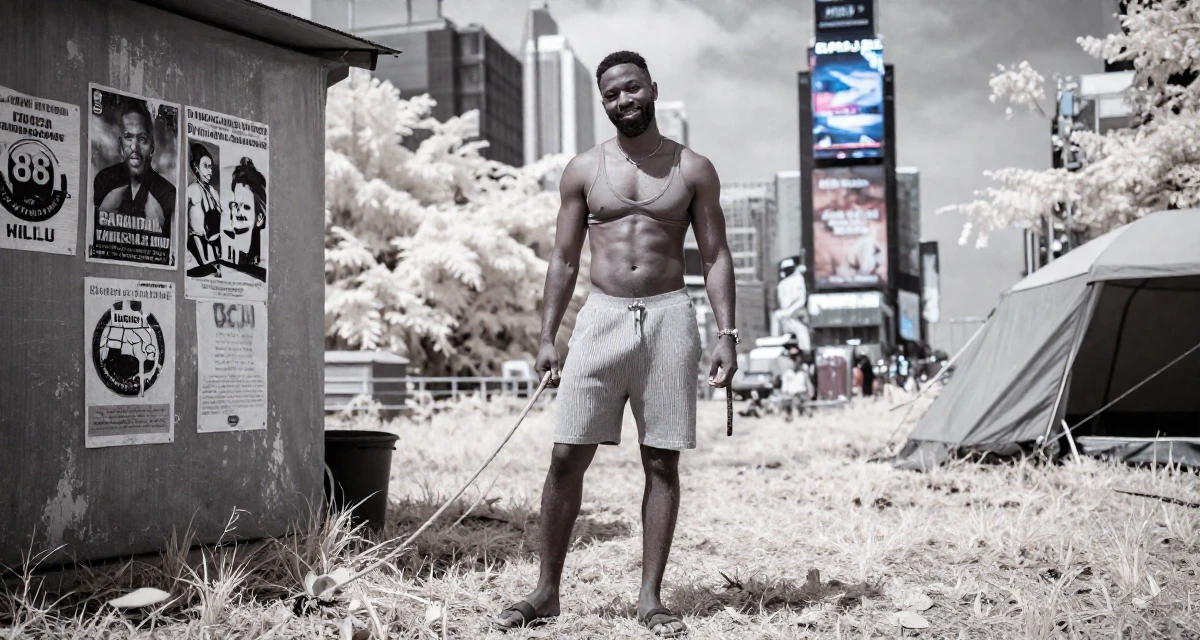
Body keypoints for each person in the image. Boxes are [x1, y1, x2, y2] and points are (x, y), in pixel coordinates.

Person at [495, 51, 737, 638]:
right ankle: (546, 591)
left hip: (669, 317)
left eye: (631, 88)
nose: (623, 100)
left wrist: (727, 333)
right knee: (565, 455)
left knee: (660, 460)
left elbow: (714, 255)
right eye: (611, 94)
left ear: (652, 88)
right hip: (599, 318)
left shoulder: (693, 168)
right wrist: (547, 335)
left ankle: (651, 599)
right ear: (602, 102)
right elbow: (564, 257)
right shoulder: (583, 169)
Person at [93, 99, 176, 239]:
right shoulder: (105, 180)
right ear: (120, 146)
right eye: (128, 137)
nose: (134, 147)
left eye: (142, 139)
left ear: (152, 148)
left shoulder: (166, 193)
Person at [186, 143, 223, 277]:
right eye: (205, 166)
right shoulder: (192, 190)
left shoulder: (213, 192)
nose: (210, 171)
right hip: (196, 246)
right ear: (196, 166)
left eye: (211, 167)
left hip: (214, 244)